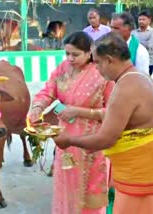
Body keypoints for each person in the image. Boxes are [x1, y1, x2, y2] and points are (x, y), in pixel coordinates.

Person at [53, 32, 153, 213]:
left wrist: (69, 140)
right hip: (152, 166)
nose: (97, 69)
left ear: (109, 60)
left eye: (98, 62)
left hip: (141, 171)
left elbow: (105, 140)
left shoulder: (125, 87)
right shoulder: (141, 77)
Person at [28, 31, 114, 214]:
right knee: (65, 186)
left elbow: (113, 112)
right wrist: (37, 107)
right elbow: (48, 91)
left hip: (92, 143)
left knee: (89, 192)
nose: (70, 58)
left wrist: (79, 112)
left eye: (75, 54)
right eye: (67, 53)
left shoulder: (102, 73)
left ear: (89, 52)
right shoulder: (63, 68)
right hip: (65, 140)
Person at [132, 10, 153, 76]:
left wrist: (136, 43)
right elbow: (131, 44)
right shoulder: (133, 32)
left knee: (145, 81)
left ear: (149, 20)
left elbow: (149, 45)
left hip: (149, 62)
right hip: (134, 61)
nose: (141, 21)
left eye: (143, 19)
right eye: (139, 19)